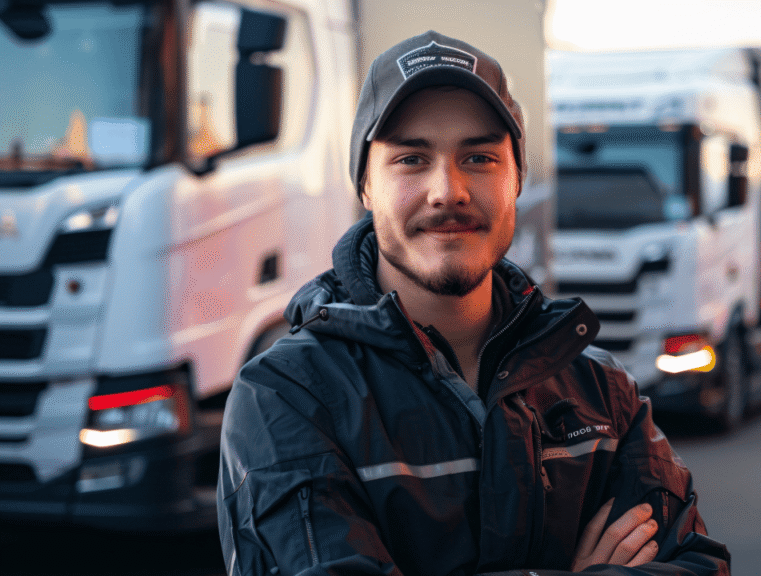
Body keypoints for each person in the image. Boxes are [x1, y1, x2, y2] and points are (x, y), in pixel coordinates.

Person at [216, 31, 730, 576]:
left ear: (517, 180)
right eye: (412, 159)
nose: (448, 190)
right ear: (365, 186)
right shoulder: (287, 397)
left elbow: (700, 566)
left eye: (480, 157)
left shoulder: (603, 395)